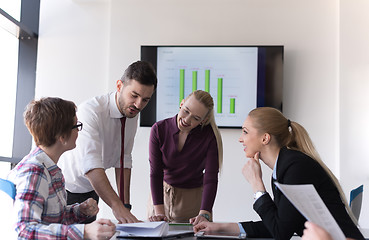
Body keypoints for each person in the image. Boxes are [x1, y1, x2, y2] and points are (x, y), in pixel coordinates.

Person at [193, 107, 364, 240]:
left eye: (245, 131)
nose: (240, 138)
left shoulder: (295, 167)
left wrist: (257, 185)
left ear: (265, 138)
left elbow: (280, 232)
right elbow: (281, 223)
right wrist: (221, 227)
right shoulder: (284, 166)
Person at [58, 61, 157, 224]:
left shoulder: (132, 111)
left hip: (92, 190)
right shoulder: (90, 111)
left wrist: (125, 206)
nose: (139, 105)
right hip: (66, 189)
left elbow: (123, 159)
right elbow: (91, 166)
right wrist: (117, 207)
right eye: (134, 95)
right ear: (119, 86)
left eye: (145, 100)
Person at [7, 97, 116, 239]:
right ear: (62, 137)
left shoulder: (50, 168)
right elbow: (25, 230)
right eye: (76, 126)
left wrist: (80, 211)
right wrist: (84, 232)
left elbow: (53, 218)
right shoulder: (34, 172)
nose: (78, 131)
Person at [148, 90, 223, 224]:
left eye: (196, 118)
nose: (187, 120)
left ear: (203, 120)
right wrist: (159, 211)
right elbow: (155, 173)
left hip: (193, 201)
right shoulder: (159, 129)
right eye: (186, 111)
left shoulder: (209, 137)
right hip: (161, 197)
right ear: (181, 104)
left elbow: (211, 177)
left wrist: (205, 213)